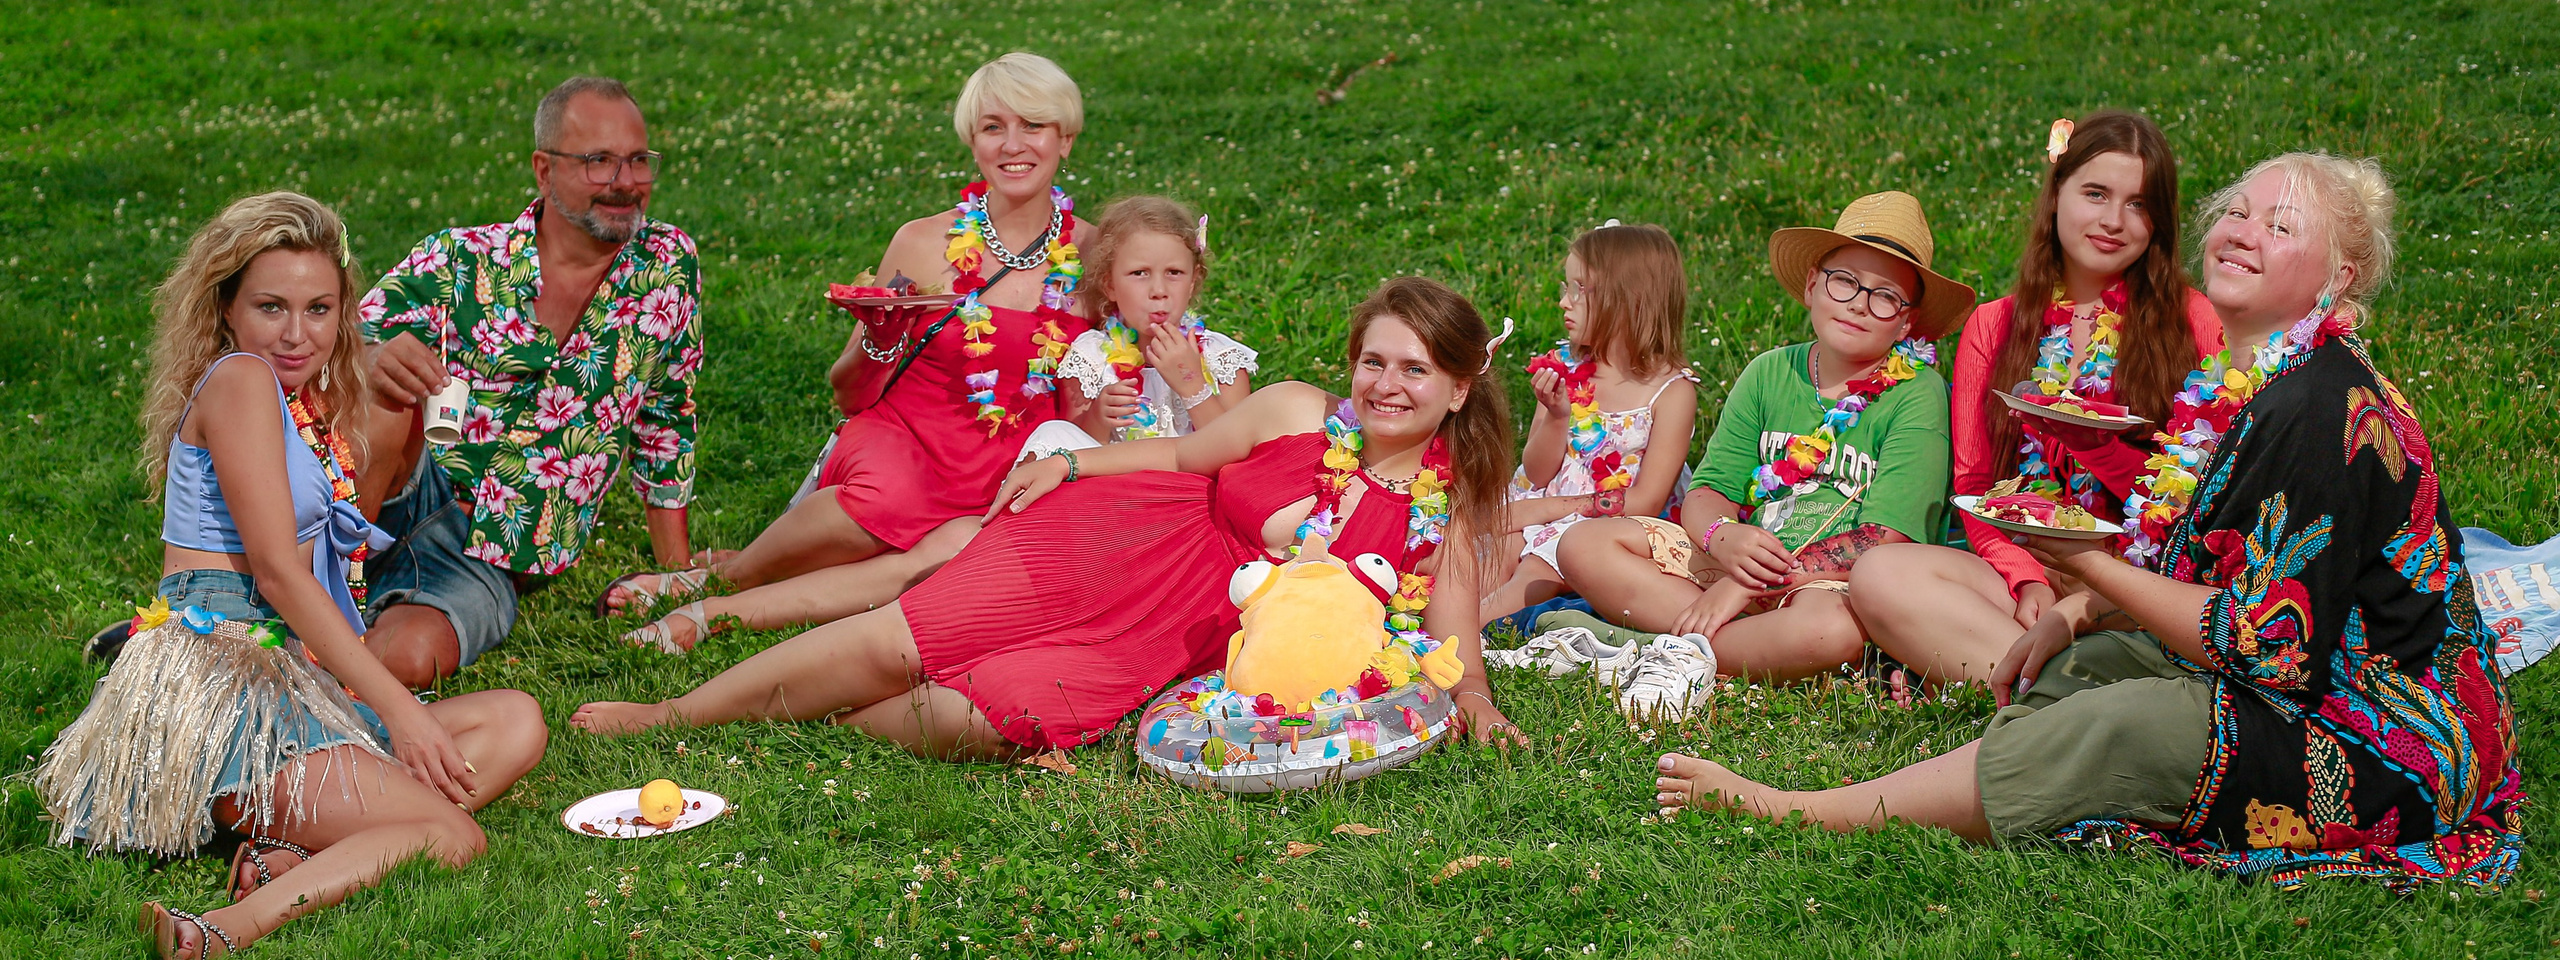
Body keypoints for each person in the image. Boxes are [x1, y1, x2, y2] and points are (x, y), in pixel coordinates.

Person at [1654, 154, 2525, 891]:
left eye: (2282, 226)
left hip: (2383, 739)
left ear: (2339, 277)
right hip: (2292, 679)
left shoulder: (2319, 406)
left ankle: (1812, 811)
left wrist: (2089, 569)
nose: (2242, 231)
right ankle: (2017, 774)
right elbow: (2218, 572)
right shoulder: (2258, 377)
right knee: (2088, 662)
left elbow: (2266, 642)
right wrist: (2078, 611)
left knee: (2120, 724)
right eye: (2239, 213)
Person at [568, 277, 1533, 757]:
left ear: (1456, 391)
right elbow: (1181, 454)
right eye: (1375, 360)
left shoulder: (1440, 516)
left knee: (967, 714)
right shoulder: (1292, 409)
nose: (1386, 385)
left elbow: (1452, 637)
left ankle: (812, 719)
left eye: (1416, 370)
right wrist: (1072, 460)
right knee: (907, 637)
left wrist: (1477, 702)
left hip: (1176, 631)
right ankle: (671, 715)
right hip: (1123, 538)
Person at [32, 193, 545, 958]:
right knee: (449, 833)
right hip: (221, 693)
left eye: (319, 308)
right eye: (271, 306)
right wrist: (398, 711)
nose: (297, 332)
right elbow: (275, 573)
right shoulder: (239, 379)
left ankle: (293, 852)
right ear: (228, 309)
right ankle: (212, 933)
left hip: (278, 677)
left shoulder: (293, 400)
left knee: (514, 722)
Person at [603, 52, 1097, 653]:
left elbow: (1095, 396)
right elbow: (849, 391)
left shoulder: (1098, 257)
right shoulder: (921, 243)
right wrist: (880, 340)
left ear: (1065, 140)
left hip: (1012, 456)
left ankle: (729, 592)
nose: (1012, 144)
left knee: (944, 563)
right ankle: (724, 579)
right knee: (886, 501)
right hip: (907, 438)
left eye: (1033, 126)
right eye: (994, 127)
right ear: (973, 143)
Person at [1549, 192, 1970, 714]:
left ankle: (1663, 651)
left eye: (1886, 296)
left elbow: (1887, 538)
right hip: (1740, 560)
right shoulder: (1770, 372)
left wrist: (1749, 585)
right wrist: (1722, 537)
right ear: (1814, 283)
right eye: (1845, 282)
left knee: (1829, 631)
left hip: (1831, 585)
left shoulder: (1917, 392)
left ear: (1907, 322)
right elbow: (1709, 490)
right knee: (1583, 545)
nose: (1860, 303)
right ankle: (1736, 651)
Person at [1849, 111, 2223, 687]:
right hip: (2025, 575)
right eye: (2095, 193)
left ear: (2159, 223)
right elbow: (1975, 487)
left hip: (2142, 582)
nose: (2113, 221)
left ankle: (2040, 683)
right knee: (1878, 576)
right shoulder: (1994, 326)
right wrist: (2027, 579)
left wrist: (2096, 448)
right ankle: (2066, 687)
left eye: (2139, 204)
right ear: (2056, 195)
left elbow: (2202, 502)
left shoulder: (2193, 321)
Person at [356, 75, 703, 686]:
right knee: (382, 383)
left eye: (638, 161)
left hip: (486, 558)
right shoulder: (462, 259)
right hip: (394, 495)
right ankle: (314, 588)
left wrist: (674, 570)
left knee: (405, 659)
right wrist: (367, 356)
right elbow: (332, 346)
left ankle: (284, 655)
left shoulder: (667, 268)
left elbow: (666, 416)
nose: (625, 182)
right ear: (544, 171)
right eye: (599, 162)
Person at [1478, 222, 1698, 623]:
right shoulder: (1565, 365)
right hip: (1546, 502)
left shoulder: (1672, 392)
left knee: (1534, 570)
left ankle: (1451, 636)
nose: (1564, 301)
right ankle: (1430, 613)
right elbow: (1537, 471)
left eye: (1579, 290)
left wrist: (1556, 514)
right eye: (1566, 287)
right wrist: (1558, 416)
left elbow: (1646, 500)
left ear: (1630, 301)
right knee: (1493, 553)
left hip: (1612, 521)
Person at [1016, 194, 1256, 458]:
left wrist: (1193, 386)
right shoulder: (1092, 359)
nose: (1158, 291)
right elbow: (1070, 449)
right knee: (1049, 434)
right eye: (1139, 273)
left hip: (1196, 490)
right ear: (1110, 285)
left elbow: (1236, 453)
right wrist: (1098, 417)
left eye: (1174, 272)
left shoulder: (1219, 359)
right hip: (1119, 493)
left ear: (1192, 281)